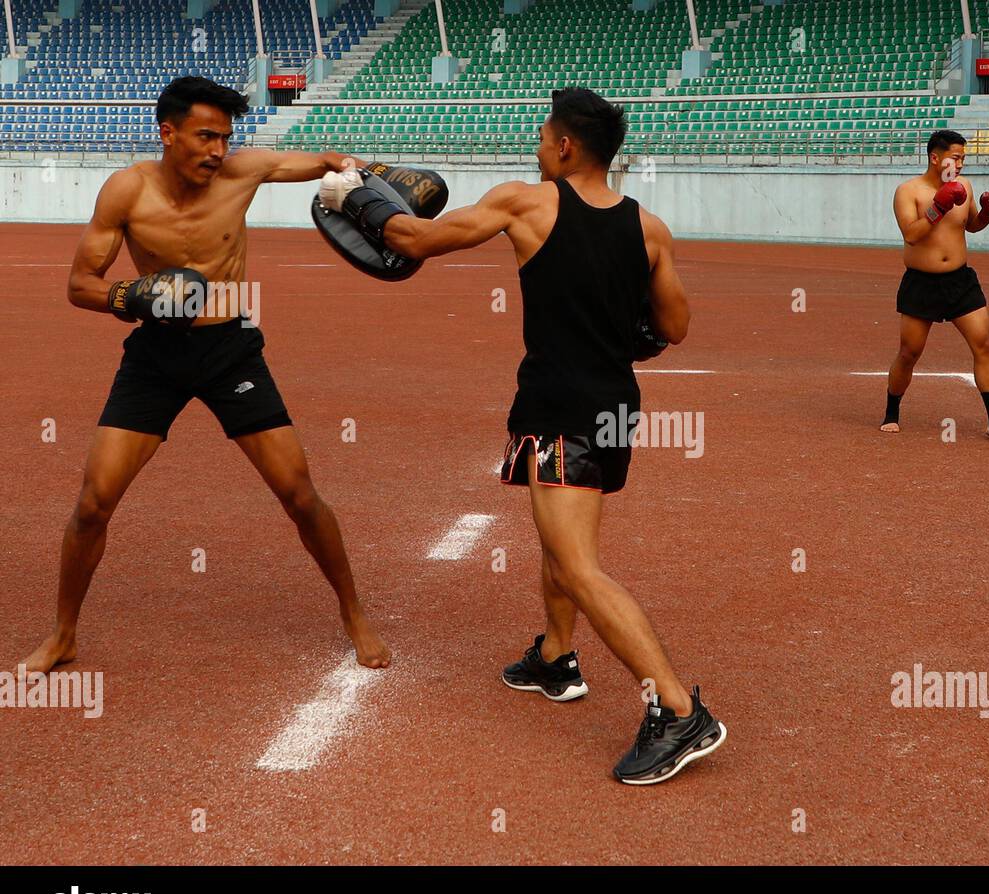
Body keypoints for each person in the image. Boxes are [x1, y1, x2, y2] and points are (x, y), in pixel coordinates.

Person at [318, 87, 725, 784]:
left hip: (561, 404)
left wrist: (355, 192)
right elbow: (674, 328)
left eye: (542, 138)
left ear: (566, 146)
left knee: (576, 564)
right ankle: (554, 656)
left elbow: (411, 239)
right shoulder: (648, 227)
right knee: (561, 537)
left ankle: (678, 708)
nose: (536, 149)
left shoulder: (527, 202)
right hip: (613, 405)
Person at [20, 76, 390, 676]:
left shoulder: (241, 172)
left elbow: (326, 160)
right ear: (168, 133)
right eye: (206, 136)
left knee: (298, 493)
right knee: (93, 503)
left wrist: (370, 169)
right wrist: (135, 294)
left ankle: (353, 612)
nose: (218, 150)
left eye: (225, 136)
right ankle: (63, 635)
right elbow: (79, 285)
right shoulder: (126, 191)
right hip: (155, 353)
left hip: (229, 350)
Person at [882, 129, 989, 441]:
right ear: (935, 157)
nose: (961, 164)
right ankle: (891, 412)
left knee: (984, 345)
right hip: (921, 283)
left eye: (963, 158)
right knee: (909, 352)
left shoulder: (964, 186)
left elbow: (970, 225)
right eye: (956, 157)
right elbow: (912, 234)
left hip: (960, 281)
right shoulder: (908, 191)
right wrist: (938, 207)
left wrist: (988, 213)